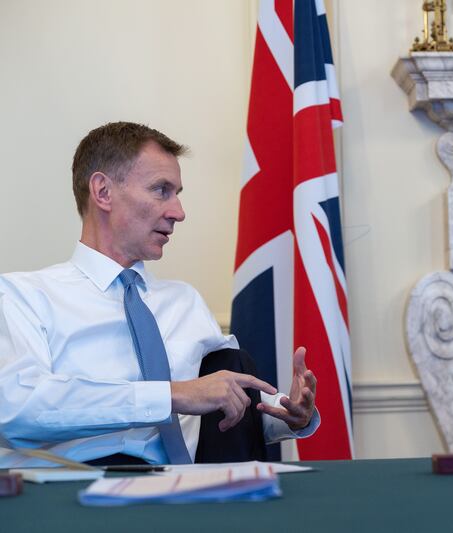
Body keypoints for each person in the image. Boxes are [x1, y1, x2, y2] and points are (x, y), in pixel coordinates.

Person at [0, 122, 319, 466]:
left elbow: (223, 417)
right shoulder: (23, 296)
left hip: (191, 495)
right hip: (75, 493)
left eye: (178, 193)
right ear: (103, 191)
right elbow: (15, 407)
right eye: (161, 190)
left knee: (231, 364)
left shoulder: (184, 302)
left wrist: (289, 415)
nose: (178, 212)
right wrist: (171, 395)